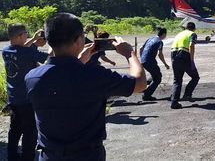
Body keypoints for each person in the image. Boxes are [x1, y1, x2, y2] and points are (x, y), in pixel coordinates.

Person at [25, 13, 146, 161]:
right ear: (79, 39)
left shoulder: (32, 77)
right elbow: (140, 83)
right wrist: (129, 53)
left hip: (49, 155)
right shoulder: (95, 76)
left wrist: (79, 60)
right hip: (86, 155)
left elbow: (60, 76)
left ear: (49, 41)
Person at [2, 24, 48, 161]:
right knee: (30, 132)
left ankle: (12, 156)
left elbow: (21, 49)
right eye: (26, 34)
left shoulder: (6, 51)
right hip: (27, 98)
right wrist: (52, 42)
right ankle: (27, 157)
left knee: (14, 129)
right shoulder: (27, 53)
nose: (27, 36)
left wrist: (33, 39)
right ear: (20, 36)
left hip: (13, 98)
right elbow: (49, 56)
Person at [170, 22, 200, 109]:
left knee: (177, 80)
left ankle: (174, 102)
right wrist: (192, 60)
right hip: (184, 56)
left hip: (173, 56)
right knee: (195, 77)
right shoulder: (192, 34)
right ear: (194, 29)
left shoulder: (179, 34)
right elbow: (191, 45)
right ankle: (187, 94)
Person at [140, 27, 169, 101]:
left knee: (155, 75)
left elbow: (141, 48)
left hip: (144, 60)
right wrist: (165, 64)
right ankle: (146, 95)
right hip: (150, 61)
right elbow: (160, 54)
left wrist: (142, 58)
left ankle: (143, 87)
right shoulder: (159, 42)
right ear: (164, 34)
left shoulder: (150, 39)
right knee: (157, 79)